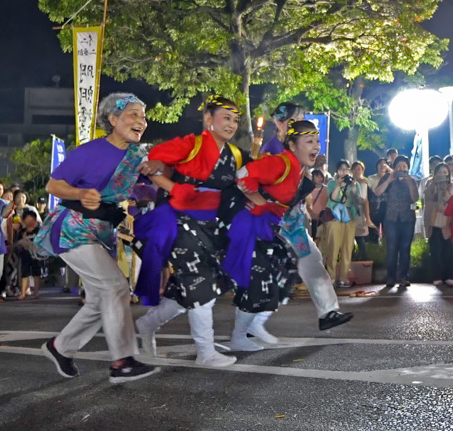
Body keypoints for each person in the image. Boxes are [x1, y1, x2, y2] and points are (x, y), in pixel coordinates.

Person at [34, 93, 160, 383]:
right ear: (113, 119)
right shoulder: (89, 152)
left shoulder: (138, 156)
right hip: (73, 229)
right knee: (116, 286)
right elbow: (54, 185)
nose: (141, 121)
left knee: (98, 300)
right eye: (133, 114)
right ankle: (122, 361)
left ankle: (60, 347)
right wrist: (80, 193)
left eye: (143, 117)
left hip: (102, 232)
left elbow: (149, 184)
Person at [134, 95, 243, 368]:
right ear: (208, 119)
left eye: (235, 120)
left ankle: (146, 325)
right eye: (226, 117)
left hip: (211, 227)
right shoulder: (191, 145)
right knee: (199, 280)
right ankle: (205, 351)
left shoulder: (235, 155)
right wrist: (174, 188)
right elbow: (151, 164)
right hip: (180, 221)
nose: (231, 124)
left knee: (188, 292)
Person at [222, 119, 330, 350]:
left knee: (285, 275)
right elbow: (242, 175)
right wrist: (261, 202)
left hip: (270, 228)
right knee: (259, 280)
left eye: (317, 141)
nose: (316, 146)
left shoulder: (301, 173)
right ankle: (238, 336)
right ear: (292, 145)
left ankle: (255, 324)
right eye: (309, 141)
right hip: (249, 227)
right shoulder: (280, 163)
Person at [255, 102, 352, 331]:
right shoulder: (271, 151)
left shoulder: (294, 147)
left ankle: (328, 312)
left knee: (312, 262)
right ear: (279, 123)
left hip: (293, 223)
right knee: (268, 276)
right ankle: (248, 325)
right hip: (274, 224)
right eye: (292, 121)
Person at [374, 155, 419, 288]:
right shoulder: (388, 178)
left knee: (405, 248)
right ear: (394, 168)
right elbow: (377, 192)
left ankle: (404, 277)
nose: (401, 169)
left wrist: (410, 182)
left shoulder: (412, 180)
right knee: (392, 248)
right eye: (399, 166)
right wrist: (389, 180)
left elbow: (415, 198)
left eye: (404, 166)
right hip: (391, 218)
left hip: (407, 219)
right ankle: (390, 277)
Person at [324, 160, 359, 288]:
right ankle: (331, 277)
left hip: (349, 217)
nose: (343, 172)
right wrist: (338, 185)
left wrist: (354, 188)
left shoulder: (354, 184)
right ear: (337, 171)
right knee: (333, 247)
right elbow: (332, 198)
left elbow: (357, 202)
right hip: (335, 218)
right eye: (341, 169)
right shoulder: (332, 183)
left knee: (347, 248)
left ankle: (343, 278)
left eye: (346, 169)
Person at [423, 162, 453, 285]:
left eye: (444, 173)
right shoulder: (429, 184)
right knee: (435, 250)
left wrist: (443, 187)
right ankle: (437, 276)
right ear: (434, 173)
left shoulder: (451, 185)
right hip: (433, 220)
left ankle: (449, 276)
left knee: (447, 249)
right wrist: (435, 184)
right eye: (439, 172)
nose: (442, 175)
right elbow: (430, 197)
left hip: (446, 221)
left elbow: (447, 198)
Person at [351, 161, 375, 260]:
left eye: (359, 169)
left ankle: (364, 262)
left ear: (362, 170)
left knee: (360, 238)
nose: (357, 171)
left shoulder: (363, 182)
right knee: (350, 239)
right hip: (349, 212)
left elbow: (364, 199)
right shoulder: (349, 181)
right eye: (355, 169)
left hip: (359, 212)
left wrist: (367, 217)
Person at [16, 209, 42, 300]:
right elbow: (18, 242)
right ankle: (23, 293)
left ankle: (36, 292)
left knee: (36, 273)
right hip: (25, 254)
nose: (29, 221)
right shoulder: (22, 231)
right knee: (25, 273)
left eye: (31, 218)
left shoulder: (39, 230)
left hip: (36, 255)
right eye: (27, 219)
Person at [307, 169, 329, 240]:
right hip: (313, 218)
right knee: (314, 237)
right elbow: (307, 204)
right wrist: (311, 213)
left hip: (324, 217)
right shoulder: (309, 189)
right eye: (317, 176)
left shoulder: (327, 189)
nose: (320, 178)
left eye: (321, 176)